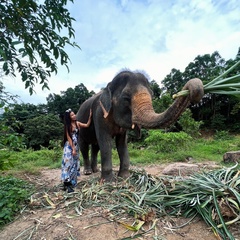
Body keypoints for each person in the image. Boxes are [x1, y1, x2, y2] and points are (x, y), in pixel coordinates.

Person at [61, 108, 92, 193]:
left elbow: (86, 125)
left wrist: (90, 117)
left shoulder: (77, 123)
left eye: (74, 114)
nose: (74, 116)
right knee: (68, 164)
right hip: (69, 147)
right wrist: (73, 149)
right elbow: (69, 138)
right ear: (69, 117)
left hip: (76, 146)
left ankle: (71, 182)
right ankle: (67, 184)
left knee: (74, 165)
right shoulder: (68, 126)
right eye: (72, 115)